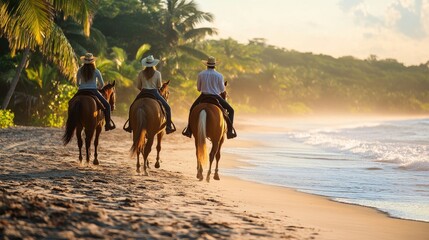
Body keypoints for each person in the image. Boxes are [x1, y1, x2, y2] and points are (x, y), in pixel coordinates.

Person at [182, 56, 237, 139]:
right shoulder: (219, 75)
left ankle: (188, 130)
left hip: (203, 96)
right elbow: (222, 89)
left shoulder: (201, 74)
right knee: (231, 110)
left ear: (206, 65)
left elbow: (198, 88)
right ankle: (229, 131)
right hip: (216, 96)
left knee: (192, 109)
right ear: (215, 65)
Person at [124, 55, 175, 134]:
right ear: (153, 64)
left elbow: (138, 86)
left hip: (143, 92)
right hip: (154, 92)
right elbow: (159, 86)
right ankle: (168, 127)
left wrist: (144, 89)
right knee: (167, 108)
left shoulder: (141, 73)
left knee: (132, 107)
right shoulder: (157, 73)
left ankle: (130, 126)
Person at [76, 53, 116, 131]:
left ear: (84, 61)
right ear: (92, 61)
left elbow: (77, 83)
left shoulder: (80, 70)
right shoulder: (96, 71)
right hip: (93, 90)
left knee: (71, 103)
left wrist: (82, 86)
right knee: (107, 105)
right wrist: (98, 88)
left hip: (81, 90)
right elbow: (102, 84)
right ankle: (108, 124)